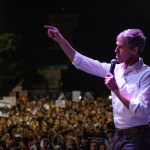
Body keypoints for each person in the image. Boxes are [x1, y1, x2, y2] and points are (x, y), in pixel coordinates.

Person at [44, 25, 150, 150]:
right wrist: (60, 39)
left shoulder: (146, 75)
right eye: (116, 45)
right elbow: (80, 62)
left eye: (120, 47)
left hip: (137, 137)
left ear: (134, 50)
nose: (115, 50)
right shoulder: (117, 69)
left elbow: (141, 109)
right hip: (118, 135)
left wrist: (115, 89)